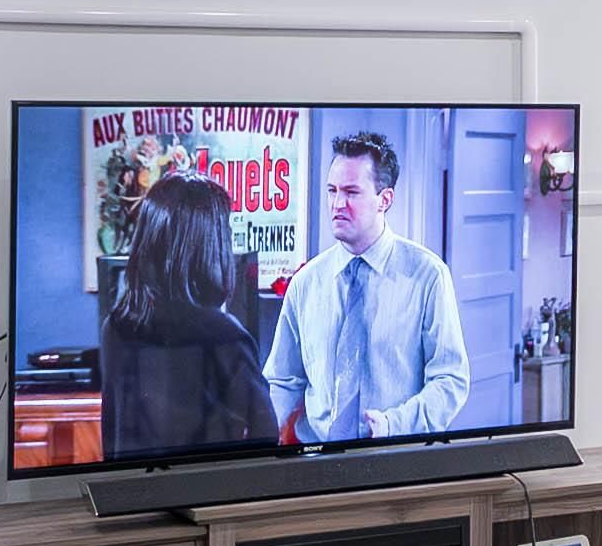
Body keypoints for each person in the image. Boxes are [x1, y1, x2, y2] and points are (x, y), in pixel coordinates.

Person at [264, 128, 471, 443]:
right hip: (315, 458)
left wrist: (392, 425)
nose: (337, 203)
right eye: (332, 190)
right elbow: (283, 379)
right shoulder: (306, 283)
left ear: (384, 199)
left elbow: (450, 380)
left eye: (351, 192)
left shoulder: (428, 276)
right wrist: (267, 440)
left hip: (397, 455)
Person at [97, 174, 277, 462]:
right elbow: (267, 436)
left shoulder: (116, 326)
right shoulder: (226, 336)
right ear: (211, 244)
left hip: (133, 488)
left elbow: (111, 436)